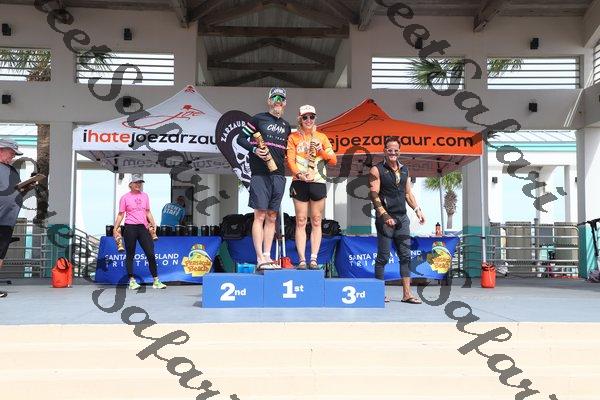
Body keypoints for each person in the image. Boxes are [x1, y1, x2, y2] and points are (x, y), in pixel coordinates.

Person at [237, 87, 291, 270]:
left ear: (285, 103)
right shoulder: (258, 119)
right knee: (259, 214)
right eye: (275, 98)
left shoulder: (286, 126)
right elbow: (240, 138)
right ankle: (259, 258)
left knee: (272, 216)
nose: (278, 101)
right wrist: (254, 149)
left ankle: (267, 256)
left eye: (281, 99)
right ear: (269, 101)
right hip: (260, 173)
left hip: (278, 174)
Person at [369, 136, 426, 304]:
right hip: (385, 219)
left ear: (399, 152)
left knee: (406, 256)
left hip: (402, 219)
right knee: (383, 257)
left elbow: (408, 193)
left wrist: (417, 210)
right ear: (384, 151)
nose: (392, 152)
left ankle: (407, 294)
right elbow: (374, 194)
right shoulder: (376, 169)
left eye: (395, 150)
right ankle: (378, 293)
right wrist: (384, 215)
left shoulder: (405, 170)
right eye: (389, 150)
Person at [286, 105, 337, 269]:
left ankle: (314, 259)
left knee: (316, 220)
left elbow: (333, 160)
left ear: (315, 118)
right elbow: (290, 160)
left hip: (318, 181)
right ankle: (302, 259)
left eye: (311, 117)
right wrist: (299, 174)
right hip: (299, 182)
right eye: (305, 117)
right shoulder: (293, 137)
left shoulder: (322, 137)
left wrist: (321, 151)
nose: (308, 120)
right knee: (301, 220)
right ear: (299, 119)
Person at [113, 173, 166, 290]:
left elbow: (147, 212)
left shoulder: (145, 196)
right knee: (130, 254)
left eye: (140, 183)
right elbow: (121, 214)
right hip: (130, 227)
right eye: (136, 182)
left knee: (150, 253)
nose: (138, 184)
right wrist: (115, 228)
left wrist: (153, 223)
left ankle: (156, 281)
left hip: (143, 228)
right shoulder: (125, 197)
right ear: (130, 184)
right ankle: (132, 281)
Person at [0, 138, 37, 298]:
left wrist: (28, 186)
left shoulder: (13, 171)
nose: (13, 157)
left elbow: (17, 192)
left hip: (8, 220)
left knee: (0, 254)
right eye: (11, 153)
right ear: (1, 150)